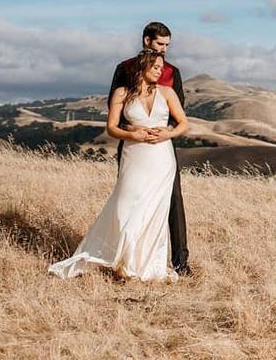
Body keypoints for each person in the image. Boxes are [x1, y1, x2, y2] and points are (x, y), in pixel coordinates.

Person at [48, 49, 189, 281]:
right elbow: (112, 127)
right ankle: (118, 256)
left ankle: (140, 265)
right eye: (155, 67)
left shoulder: (167, 92)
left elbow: (183, 123)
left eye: (161, 68)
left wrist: (167, 134)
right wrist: (134, 135)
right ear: (142, 66)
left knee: (155, 210)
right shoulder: (122, 93)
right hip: (135, 156)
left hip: (162, 158)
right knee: (125, 205)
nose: (159, 71)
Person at [107, 22, 192, 276]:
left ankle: (180, 261)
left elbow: (178, 111)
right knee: (129, 198)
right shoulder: (123, 69)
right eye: (159, 44)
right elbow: (115, 108)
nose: (164, 50)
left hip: (161, 146)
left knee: (174, 201)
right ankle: (125, 256)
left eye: (167, 45)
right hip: (133, 145)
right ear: (147, 41)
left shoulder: (172, 72)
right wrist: (134, 133)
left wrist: (162, 133)